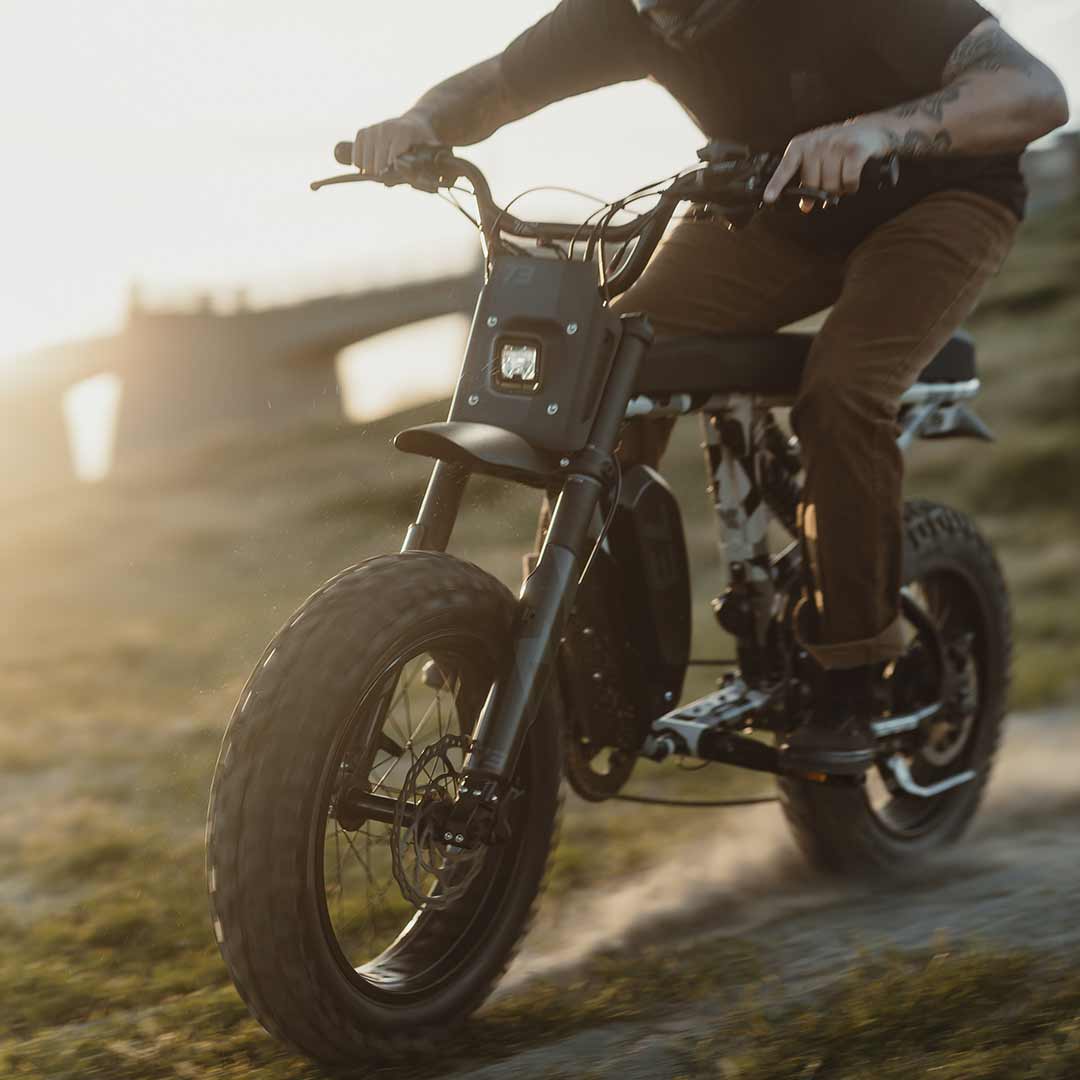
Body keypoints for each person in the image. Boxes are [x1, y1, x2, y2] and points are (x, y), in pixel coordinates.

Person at [352, 0, 1069, 774]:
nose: (658, 15)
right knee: (605, 368)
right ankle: (579, 649)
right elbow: (497, 87)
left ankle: (852, 677)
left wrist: (877, 130)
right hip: (771, 208)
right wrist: (420, 120)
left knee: (843, 393)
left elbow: (1033, 91)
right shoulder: (623, 12)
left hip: (939, 200)